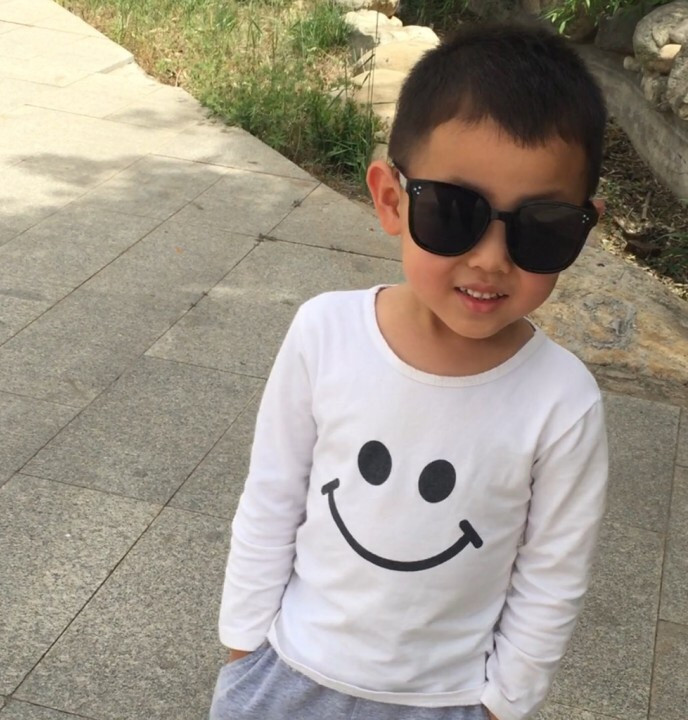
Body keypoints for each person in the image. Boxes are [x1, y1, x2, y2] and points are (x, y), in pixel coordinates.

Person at [210, 21, 610, 720]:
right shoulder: (325, 333)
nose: (490, 259)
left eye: (541, 227)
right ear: (391, 199)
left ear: (583, 226)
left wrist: (503, 703)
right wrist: (244, 644)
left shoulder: (562, 401)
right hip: (287, 672)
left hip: (446, 700)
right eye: (454, 212)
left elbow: (553, 572)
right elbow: (273, 493)